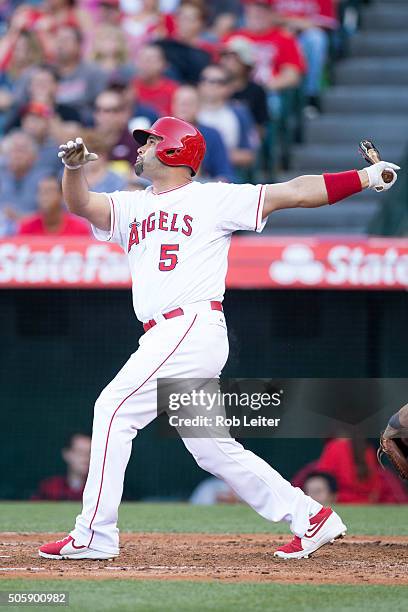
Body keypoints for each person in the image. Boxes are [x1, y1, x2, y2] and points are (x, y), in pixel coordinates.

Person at [39, 116, 399, 561]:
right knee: (213, 448)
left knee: (112, 410)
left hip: (187, 325)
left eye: (149, 141)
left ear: (173, 149)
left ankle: (94, 535)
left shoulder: (212, 197)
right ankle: (309, 515)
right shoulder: (131, 205)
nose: (140, 148)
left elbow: (294, 192)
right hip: (171, 334)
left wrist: (363, 177)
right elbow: (81, 205)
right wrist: (73, 170)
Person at [197, 63, 258, 175]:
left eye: (218, 81)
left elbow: (249, 154)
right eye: (204, 79)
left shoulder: (239, 113)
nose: (209, 85)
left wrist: (218, 155)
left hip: (228, 175)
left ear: (228, 87)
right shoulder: (189, 111)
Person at [171, 85, 235, 182]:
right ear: (172, 105)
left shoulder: (212, 135)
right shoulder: (160, 134)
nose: (184, 106)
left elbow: (224, 174)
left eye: (189, 103)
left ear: (199, 107)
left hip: (203, 186)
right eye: (180, 102)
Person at [0, 131, 52, 235]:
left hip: (35, 234)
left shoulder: (46, 178)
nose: (17, 156)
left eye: (21, 151)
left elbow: (53, 213)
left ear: (34, 156)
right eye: (13, 151)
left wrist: (22, 218)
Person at [54, 24, 108, 125]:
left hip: (84, 126)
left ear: (79, 45)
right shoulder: (46, 72)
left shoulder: (94, 72)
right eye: (58, 40)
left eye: (66, 40)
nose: (61, 44)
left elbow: (101, 107)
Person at [219, 36, 269, 134]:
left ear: (245, 64)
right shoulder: (213, 85)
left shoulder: (256, 91)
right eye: (226, 56)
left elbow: (260, 128)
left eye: (234, 58)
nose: (227, 62)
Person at [18, 175, 90, 236]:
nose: (44, 197)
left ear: (62, 195)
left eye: (49, 191)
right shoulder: (26, 228)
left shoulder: (80, 228)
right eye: (41, 192)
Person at [31, 433, 91, 501]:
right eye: (80, 452)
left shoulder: (98, 490)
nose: (85, 458)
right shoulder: (50, 488)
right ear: (66, 454)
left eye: (89, 453)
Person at [132, 43, 179, 117]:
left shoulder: (174, 90)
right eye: (142, 60)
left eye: (150, 60)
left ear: (163, 64)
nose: (145, 65)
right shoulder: (130, 88)